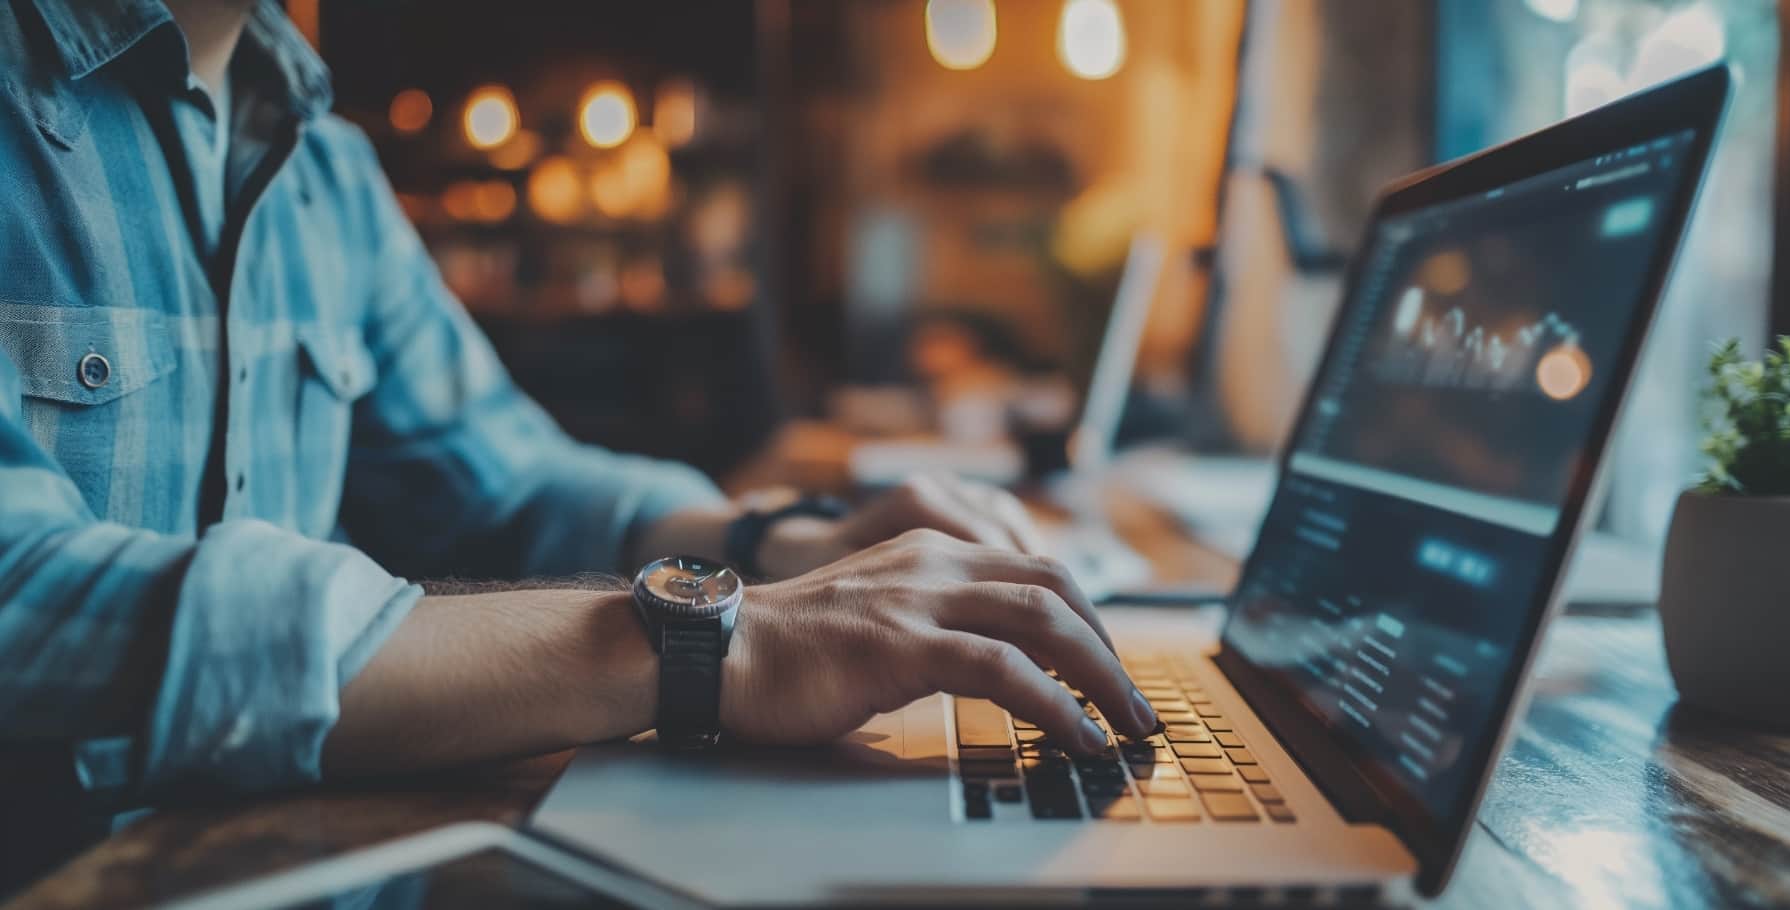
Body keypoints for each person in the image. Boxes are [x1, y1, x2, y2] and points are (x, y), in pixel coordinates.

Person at [0, 0, 1158, 814]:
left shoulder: (326, 173)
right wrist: (706, 644)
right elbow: (23, 597)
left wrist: (783, 547)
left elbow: (506, 483)